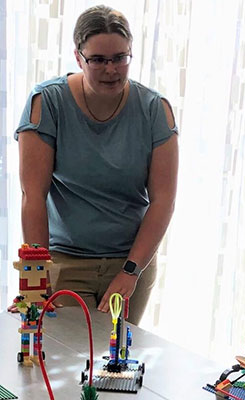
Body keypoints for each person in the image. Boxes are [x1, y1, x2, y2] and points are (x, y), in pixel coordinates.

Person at [14, 5, 178, 325]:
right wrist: (37, 278)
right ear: (78, 58)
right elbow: (32, 196)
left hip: (130, 263)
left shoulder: (155, 109)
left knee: (116, 362)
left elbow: (163, 201)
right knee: (68, 363)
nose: (111, 69)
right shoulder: (47, 102)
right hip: (66, 262)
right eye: (98, 60)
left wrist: (131, 271)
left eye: (120, 57)